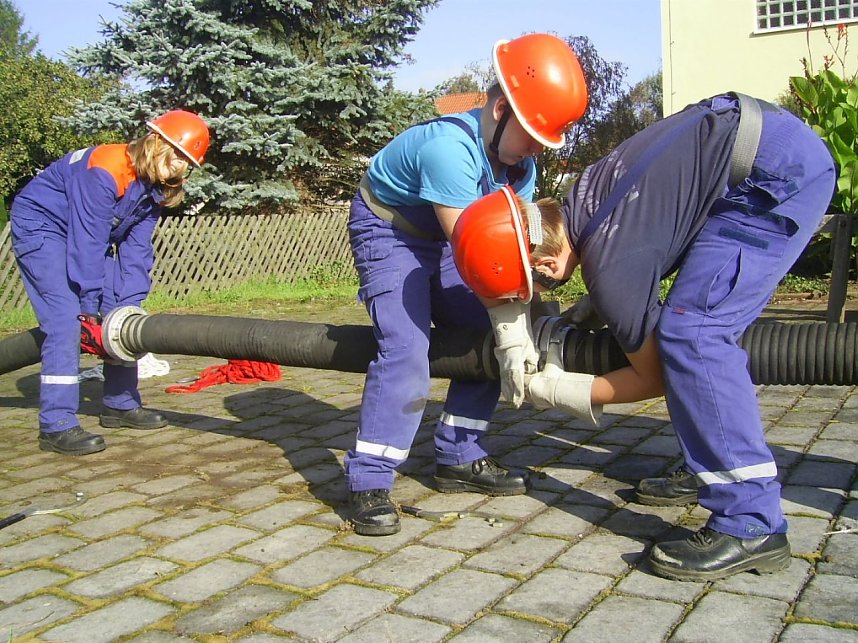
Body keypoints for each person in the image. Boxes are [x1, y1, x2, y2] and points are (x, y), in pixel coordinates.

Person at [450, 92, 836, 581]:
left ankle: (750, 522)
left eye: (536, 285)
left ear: (545, 263)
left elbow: (652, 377)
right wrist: (598, 303)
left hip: (777, 176)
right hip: (758, 144)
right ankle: (707, 464)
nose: (541, 291)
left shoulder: (611, 266)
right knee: (686, 324)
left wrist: (554, 389)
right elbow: (644, 226)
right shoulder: (581, 195)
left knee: (693, 334)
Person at [345, 33, 588, 536]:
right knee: (408, 347)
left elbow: (511, 257)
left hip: (451, 235)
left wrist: (524, 309)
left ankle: (459, 455)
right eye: (532, 137)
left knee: (483, 330)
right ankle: (369, 479)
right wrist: (513, 326)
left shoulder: (520, 165)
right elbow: (480, 262)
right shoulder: (448, 150)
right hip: (391, 230)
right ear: (501, 109)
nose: (534, 153)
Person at [9, 110, 211, 456]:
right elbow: (88, 241)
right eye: (176, 153)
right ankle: (56, 424)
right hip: (43, 227)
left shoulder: (154, 188)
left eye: (187, 161)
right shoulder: (106, 167)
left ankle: (120, 404)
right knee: (64, 319)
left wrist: (130, 305)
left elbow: (136, 251)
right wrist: (88, 311)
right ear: (155, 142)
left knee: (119, 313)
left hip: (86, 236)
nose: (179, 166)